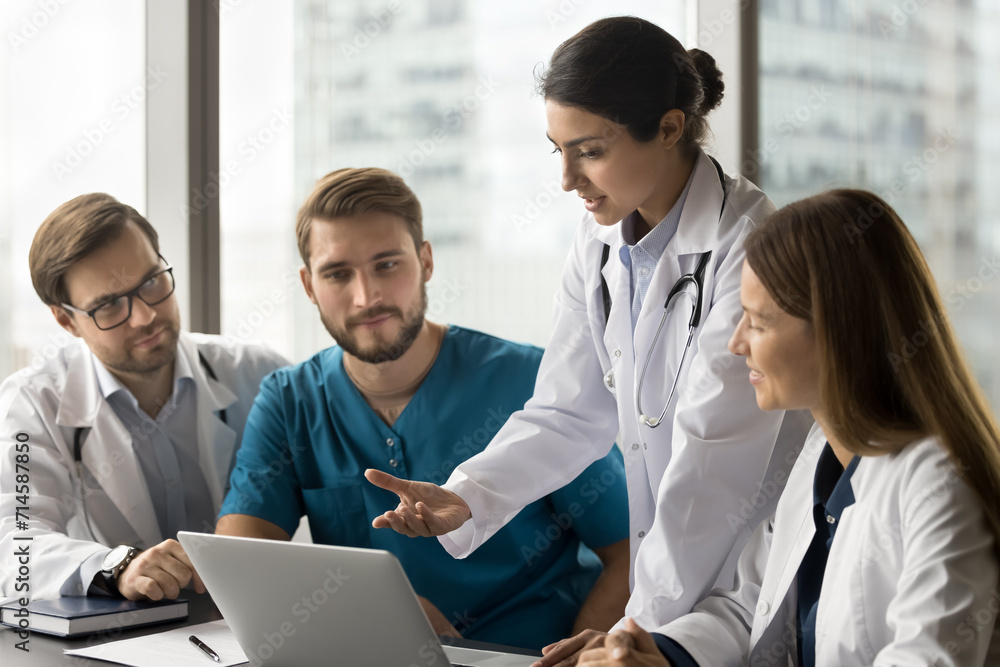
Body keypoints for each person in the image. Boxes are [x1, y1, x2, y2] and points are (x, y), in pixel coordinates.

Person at [366, 15, 812, 663]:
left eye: (590, 150)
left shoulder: (749, 248)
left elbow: (709, 478)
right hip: (674, 591)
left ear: (668, 128)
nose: (568, 179)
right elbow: (568, 410)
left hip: (748, 575)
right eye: (559, 150)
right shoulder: (601, 240)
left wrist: (632, 631)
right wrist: (468, 495)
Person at [573, 189, 1000, 666]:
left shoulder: (937, 485)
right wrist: (658, 652)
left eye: (758, 322)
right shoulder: (822, 455)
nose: (736, 344)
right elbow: (748, 606)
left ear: (838, 330)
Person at [215, 167, 632, 651]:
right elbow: (240, 563)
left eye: (387, 264)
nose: (366, 296)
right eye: (337, 273)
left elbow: (630, 548)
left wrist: (582, 659)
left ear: (426, 261)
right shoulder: (289, 402)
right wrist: (376, 611)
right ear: (309, 286)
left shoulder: (535, 382)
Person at [0, 193, 288, 602]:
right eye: (109, 305)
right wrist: (117, 566)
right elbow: (13, 545)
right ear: (66, 320)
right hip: (116, 644)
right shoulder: (32, 403)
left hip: (248, 628)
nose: (146, 316)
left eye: (152, 281)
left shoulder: (259, 374)